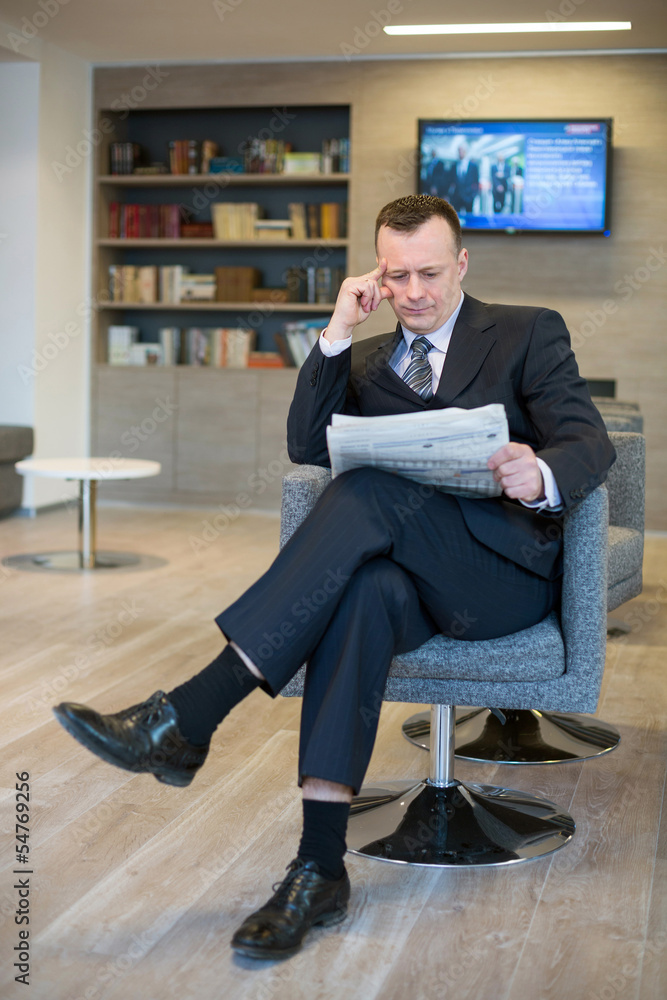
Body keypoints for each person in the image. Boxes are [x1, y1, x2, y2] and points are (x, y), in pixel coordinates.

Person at [53, 195, 615, 962]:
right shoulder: (364, 356)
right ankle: (318, 868)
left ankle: (188, 715)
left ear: (460, 264)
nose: (413, 292)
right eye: (396, 276)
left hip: (497, 577)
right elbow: (302, 445)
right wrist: (336, 332)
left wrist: (541, 468)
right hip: (408, 583)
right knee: (360, 593)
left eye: (428, 272)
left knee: (365, 490)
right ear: (376, 276)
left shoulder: (525, 330)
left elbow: (589, 439)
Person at [447, 142, 480, 214]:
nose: (460, 152)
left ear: (465, 151)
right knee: (456, 219)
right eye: (459, 150)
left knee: (469, 219)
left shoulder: (473, 166)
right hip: (456, 197)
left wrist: (473, 195)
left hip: (469, 197)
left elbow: (476, 181)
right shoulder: (454, 165)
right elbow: (450, 181)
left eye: (461, 150)